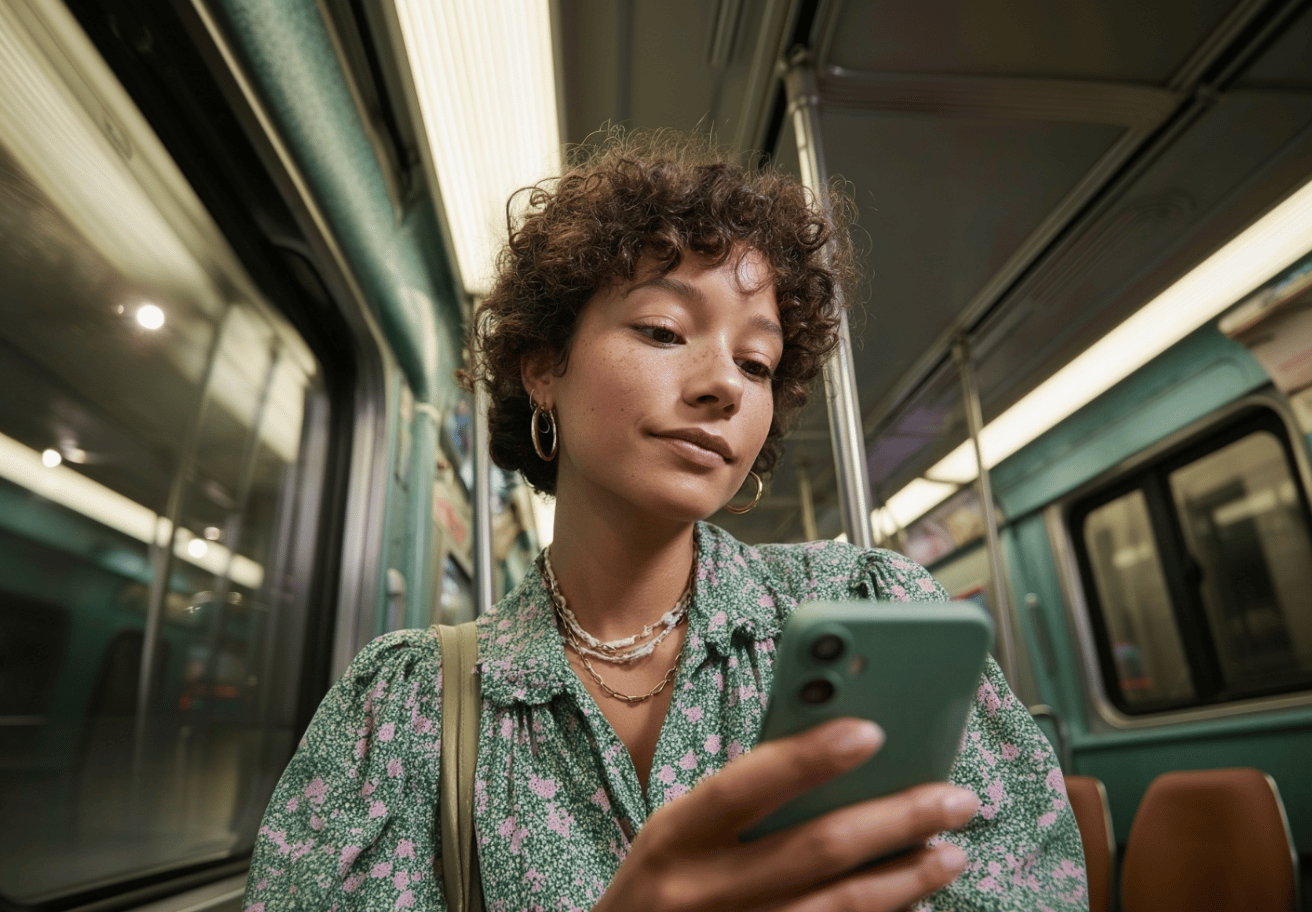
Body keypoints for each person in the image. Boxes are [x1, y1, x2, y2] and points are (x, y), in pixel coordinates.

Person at [243, 132, 1088, 911]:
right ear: (544, 367)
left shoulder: (872, 609)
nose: (725, 383)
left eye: (757, 362)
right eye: (663, 329)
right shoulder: (409, 711)